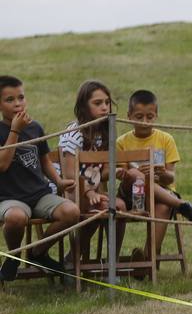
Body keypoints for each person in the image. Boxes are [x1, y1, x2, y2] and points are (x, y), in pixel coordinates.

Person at [0, 76, 80, 281]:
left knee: (71, 211)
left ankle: (37, 253)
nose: (17, 103)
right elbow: (3, 165)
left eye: (21, 97)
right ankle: (14, 256)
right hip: (9, 197)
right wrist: (15, 130)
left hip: (39, 194)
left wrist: (58, 181)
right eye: (10, 99)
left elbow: (44, 161)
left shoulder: (35, 127)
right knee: (16, 218)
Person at [116, 89, 192, 261]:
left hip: (162, 194)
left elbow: (171, 178)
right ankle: (181, 204)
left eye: (150, 117)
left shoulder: (165, 139)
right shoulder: (122, 142)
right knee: (134, 174)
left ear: (156, 116)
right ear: (129, 116)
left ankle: (147, 260)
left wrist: (161, 173)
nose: (145, 122)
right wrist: (129, 174)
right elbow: (122, 175)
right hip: (132, 196)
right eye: (139, 117)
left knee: (162, 207)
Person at [59, 80, 128, 262]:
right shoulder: (75, 133)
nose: (105, 108)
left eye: (107, 102)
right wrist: (89, 192)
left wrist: (116, 171)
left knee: (119, 207)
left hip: (92, 193)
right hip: (68, 193)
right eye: (98, 103)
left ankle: (113, 262)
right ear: (83, 106)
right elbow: (68, 177)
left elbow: (102, 172)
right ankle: (73, 258)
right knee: (105, 208)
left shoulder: (105, 132)